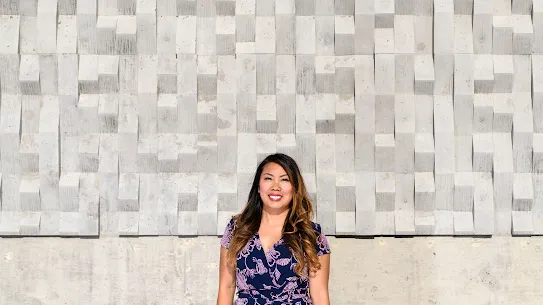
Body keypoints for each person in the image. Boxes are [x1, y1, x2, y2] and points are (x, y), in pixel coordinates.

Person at [216, 153, 331, 305]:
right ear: (258, 186)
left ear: (295, 188)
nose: (275, 187)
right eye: (268, 178)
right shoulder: (237, 229)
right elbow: (226, 286)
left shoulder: (311, 234)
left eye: (284, 179)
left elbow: (320, 295)